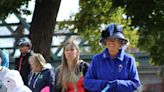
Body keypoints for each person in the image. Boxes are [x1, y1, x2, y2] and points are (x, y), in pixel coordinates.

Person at [84, 23, 141, 92]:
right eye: (108, 39)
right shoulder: (96, 59)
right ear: (105, 41)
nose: (111, 41)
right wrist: (103, 84)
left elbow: (135, 84)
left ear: (120, 42)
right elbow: (87, 82)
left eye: (115, 39)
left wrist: (118, 84)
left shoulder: (129, 60)